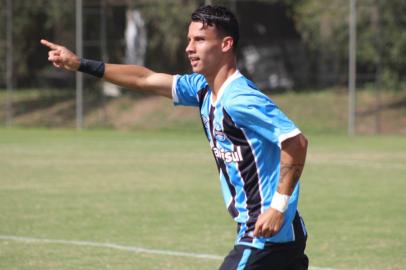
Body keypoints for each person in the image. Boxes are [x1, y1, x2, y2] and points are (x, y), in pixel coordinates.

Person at [41, 5, 309, 270]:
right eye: (189, 40)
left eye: (200, 40)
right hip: (281, 234)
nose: (189, 48)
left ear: (226, 44)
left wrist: (278, 207)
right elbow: (144, 79)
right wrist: (79, 64)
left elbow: (295, 142)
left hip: (265, 236)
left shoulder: (239, 100)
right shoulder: (203, 89)